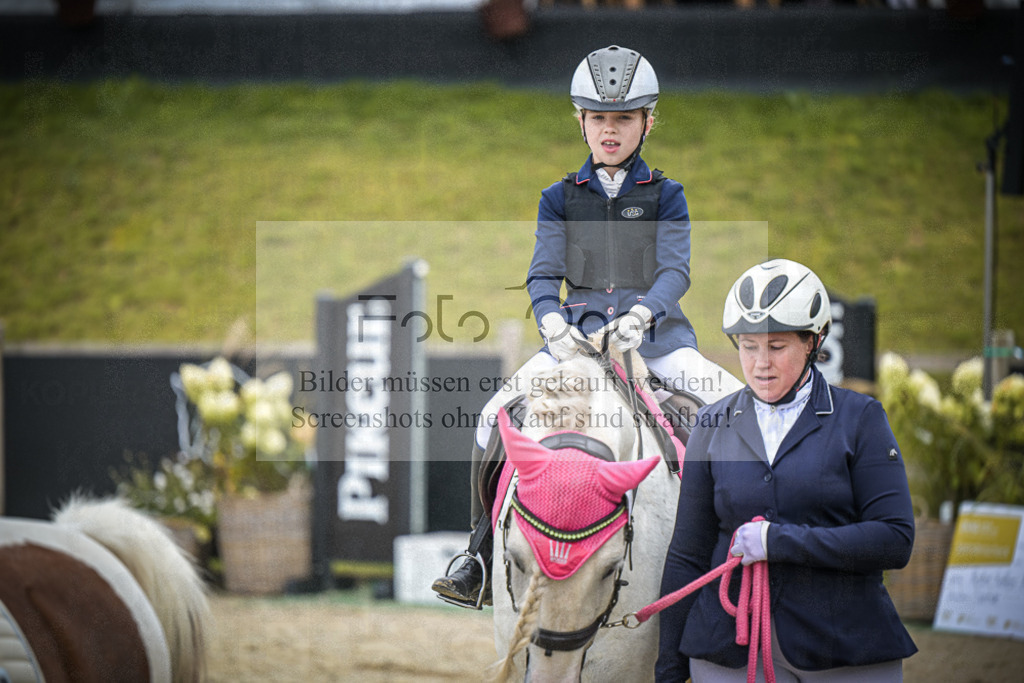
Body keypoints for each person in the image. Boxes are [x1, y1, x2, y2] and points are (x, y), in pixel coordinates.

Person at [431, 45, 742, 609]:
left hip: (658, 342)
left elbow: (676, 270)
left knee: (743, 410)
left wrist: (643, 315)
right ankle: (477, 553)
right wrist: (551, 324)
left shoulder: (667, 195)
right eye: (598, 118)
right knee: (488, 419)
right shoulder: (559, 198)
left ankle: (743, 552)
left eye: (623, 118)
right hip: (574, 342)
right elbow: (542, 277)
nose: (610, 130)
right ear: (580, 121)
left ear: (647, 121)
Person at [656, 258, 918, 682]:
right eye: (748, 346)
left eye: (776, 347)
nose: (760, 363)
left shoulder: (861, 419)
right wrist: (668, 668)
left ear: (812, 342)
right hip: (728, 649)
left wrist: (780, 542)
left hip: (842, 647)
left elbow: (894, 539)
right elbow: (688, 554)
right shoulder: (711, 425)